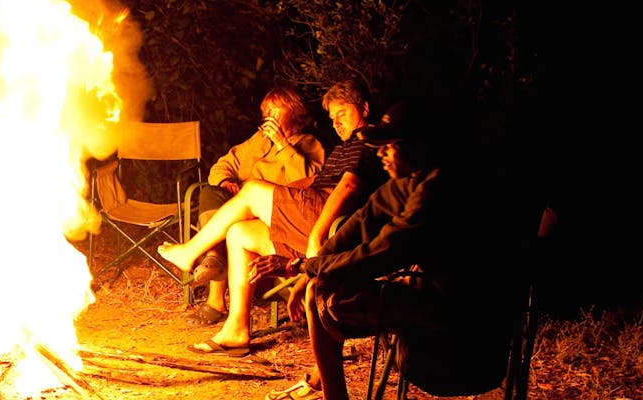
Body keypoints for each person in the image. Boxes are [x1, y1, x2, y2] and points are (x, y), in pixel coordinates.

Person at [269, 112, 531, 399]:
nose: (381, 154)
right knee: (318, 286)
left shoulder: (440, 187)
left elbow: (384, 252)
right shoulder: (413, 180)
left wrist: (305, 267)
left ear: (418, 145)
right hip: (434, 297)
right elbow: (362, 223)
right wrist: (310, 270)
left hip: (464, 319)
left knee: (322, 293)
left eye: (390, 146)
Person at [157, 79, 388, 356]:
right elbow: (312, 181)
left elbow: (347, 188)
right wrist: (274, 195)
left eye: (343, 114)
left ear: (363, 108)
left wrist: (318, 236)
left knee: (253, 190)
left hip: (330, 225)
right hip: (311, 215)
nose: (336, 123)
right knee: (239, 233)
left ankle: (190, 251)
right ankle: (236, 329)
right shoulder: (343, 147)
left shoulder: (368, 141)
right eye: (332, 117)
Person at [183, 86, 327, 326]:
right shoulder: (258, 141)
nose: (269, 115)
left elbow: (308, 182)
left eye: (275, 110)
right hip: (239, 205)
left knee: (232, 224)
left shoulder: (309, 144)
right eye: (266, 111)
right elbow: (223, 164)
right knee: (211, 192)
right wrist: (227, 181)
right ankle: (213, 259)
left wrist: (282, 145)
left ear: (294, 113)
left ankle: (215, 299)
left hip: (273, 214)